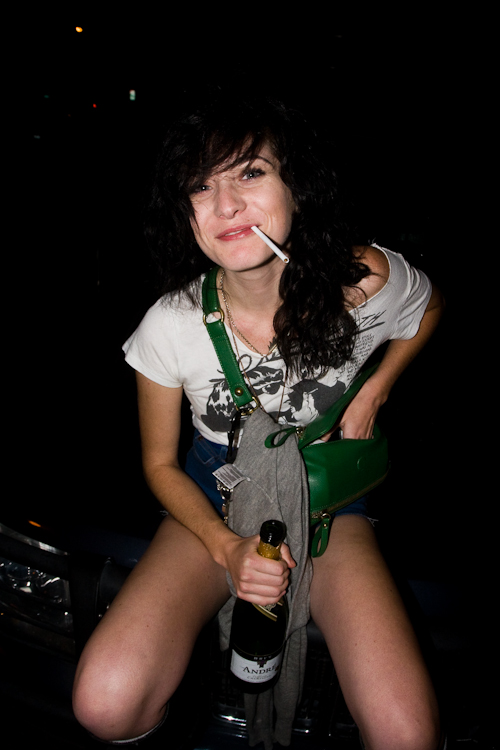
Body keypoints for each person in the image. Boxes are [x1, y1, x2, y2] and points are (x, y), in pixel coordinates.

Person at [73, 96, 446, 749]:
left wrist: (376, 388)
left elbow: (431, 307)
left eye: (250, 172)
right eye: (200, 186)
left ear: (295, 185)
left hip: (328, 507)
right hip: (215, 504)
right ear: (183, 212)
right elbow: (158, 464)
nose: (225, 205)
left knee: (406, 733)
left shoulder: (362, 281)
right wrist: (226, 549)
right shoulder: (170, 325)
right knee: (106, 703)